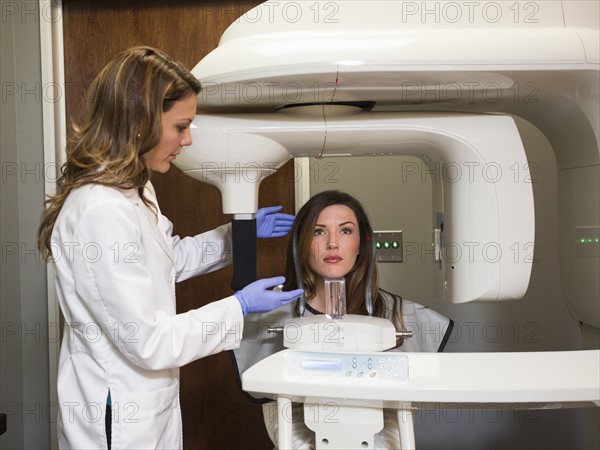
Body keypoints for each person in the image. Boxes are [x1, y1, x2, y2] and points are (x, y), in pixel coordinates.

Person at [36, 46, 303, 449]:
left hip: (144, 404)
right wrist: (238, 307)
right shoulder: (99, 210)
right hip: (119, 416)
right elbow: (150, 341)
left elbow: (166, 259)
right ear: (140, 120)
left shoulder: (135, 188)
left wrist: (236, 236)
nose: (188, 139)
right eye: (180, 126)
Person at [231, 190, 454, 449]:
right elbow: (280, 420)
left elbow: (398, 417)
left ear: (361, 243)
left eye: (346, 231)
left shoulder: (400, 315)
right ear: (301, 243)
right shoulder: (270, 314)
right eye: (319, 231)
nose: (333, 243)